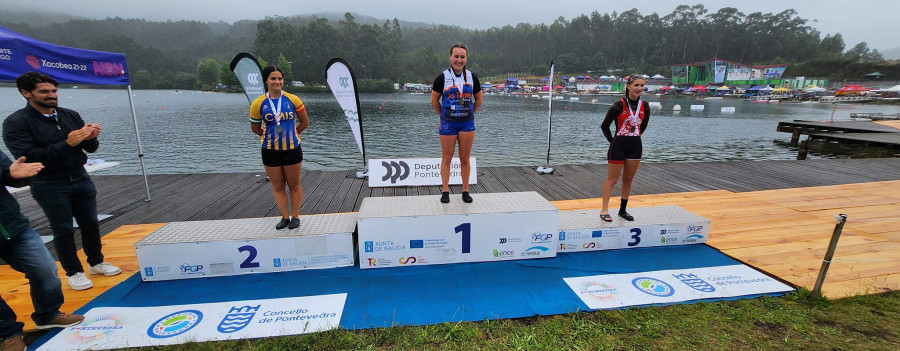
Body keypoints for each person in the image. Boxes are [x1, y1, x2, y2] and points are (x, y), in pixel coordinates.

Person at [3, 72, 121, 292]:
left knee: (90, 224)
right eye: (44, 92)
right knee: (63, 229)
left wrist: (91, 137)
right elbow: (28, 157)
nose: (52, 95)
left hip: (80, 177)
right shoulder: (16, 123)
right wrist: (67, 143)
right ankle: (74, 272)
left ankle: (96, 263)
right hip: (49, 183)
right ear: (26, 93)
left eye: (54, 91)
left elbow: (90, 149)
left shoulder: (69, 115)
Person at [0, 150, 85, 351]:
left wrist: (13, 174)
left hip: (12, 226)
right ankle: (8, 334)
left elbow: (10, 174)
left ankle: (48, 314)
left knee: (45, 270)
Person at [250, 65, 309, 229]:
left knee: (294, 184)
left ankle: (296, 216)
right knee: (277, 186)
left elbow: (304, 122)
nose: (277, 81)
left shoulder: (293, 99)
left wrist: (293, 134)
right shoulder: (258, 103)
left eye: (280, 78)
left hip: (292, 149)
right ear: (266, 81)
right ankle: (284, 217)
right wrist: (269, 137)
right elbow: (255, 128)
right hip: (270, 151)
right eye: (273, 78)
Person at [431, 43, 483, 203]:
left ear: (466, 59)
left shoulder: (472, 77)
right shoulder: (442, 78)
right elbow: (434, 101)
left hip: (467, 124)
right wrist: (444, 115)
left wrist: (469, 113)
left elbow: (479, 100)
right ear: (450, 57)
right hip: (448, 123)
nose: (459, 60)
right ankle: (445, 191)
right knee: (446, 158)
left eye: (462, 57)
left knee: (465, 159)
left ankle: (465, 191)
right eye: (456, 56)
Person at [599, 75, 650, 222]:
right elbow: (605, 126)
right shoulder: (618, 105)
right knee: (612, 180)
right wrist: (612, 141)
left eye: (642, 86)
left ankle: (622, 210)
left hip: (635, 146)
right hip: (618, 146)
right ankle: (604, 210)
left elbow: (643, 126)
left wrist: (634, 136)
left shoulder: (645, 105)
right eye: (636, 85)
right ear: (628, 86)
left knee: (628, 180)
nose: (639, 88)